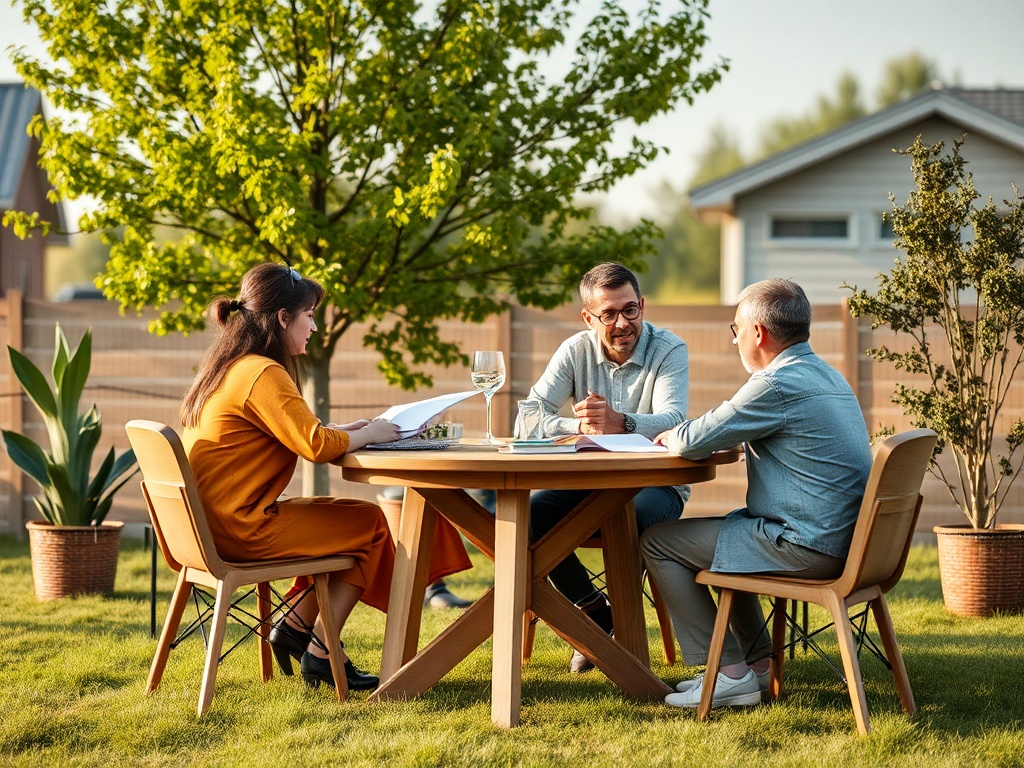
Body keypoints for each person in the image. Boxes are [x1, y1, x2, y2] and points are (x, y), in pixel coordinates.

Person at [180, 263, 472, 691]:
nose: (314, 327)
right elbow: (315, 446)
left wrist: (351, 430)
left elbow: (298, 431)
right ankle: (320, 652)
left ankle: (299, 629)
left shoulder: (230, 368)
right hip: (242, 530)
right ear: (283, 318)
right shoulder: (263, 371)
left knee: (354, 525)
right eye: (310, 315)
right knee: (370, 526)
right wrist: (373, 431)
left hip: (212, 527)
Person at [641, 278, 872, 709]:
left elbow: (695, 439)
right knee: (737, 528)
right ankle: (758, 667)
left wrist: (671, 434)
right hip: (848, 543)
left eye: (735, 329)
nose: (734, 339)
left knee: (659, 541)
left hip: (808, 547)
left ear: (758, 333)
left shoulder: (776, 384)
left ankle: (729, 673)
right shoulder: (828, 375)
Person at [526, 262, 690, 673]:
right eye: (609, 314)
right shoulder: (574, 350)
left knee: (629, 516)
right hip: (590, 482)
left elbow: (674, 419)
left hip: (656, 485)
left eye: (630, 310)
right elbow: (527, 418)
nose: (622, 323)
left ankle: (617, 632)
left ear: (642, 306)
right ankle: (595, 612)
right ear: (588, 317)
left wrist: (622, 422)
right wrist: (578, 425)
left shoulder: (669, 348)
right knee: (529, 514)